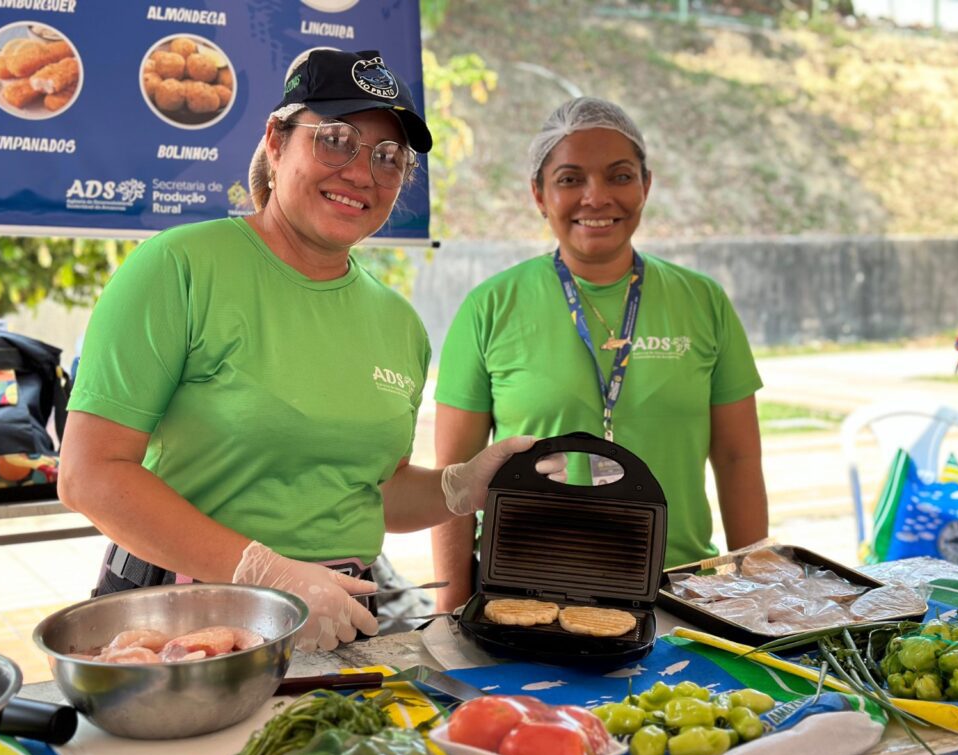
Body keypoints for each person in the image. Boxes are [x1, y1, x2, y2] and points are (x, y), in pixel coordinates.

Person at [58, 48, 545, 653]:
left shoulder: (398, 324)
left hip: (342, 622)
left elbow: (370, 489)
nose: (362, 173)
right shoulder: (178, 267)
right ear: (277, 140)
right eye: (336, 139)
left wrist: (457, 488)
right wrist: (265, 575)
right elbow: (90, 474)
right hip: (182, 624)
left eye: (388, 158)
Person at [431, 96, 769, 613]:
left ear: (646, 185)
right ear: (539, 195)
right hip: (526, 597)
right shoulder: (491, 306)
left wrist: (752, 586)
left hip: (677, 591)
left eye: (619, 176)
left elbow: (737, 457)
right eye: (569, 179)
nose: (597, 197)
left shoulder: (703, 301)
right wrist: (452, 609)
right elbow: (453, 479)